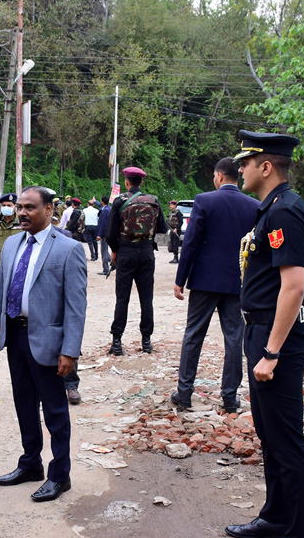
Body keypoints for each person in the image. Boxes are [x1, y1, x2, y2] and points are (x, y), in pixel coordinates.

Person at [225, 131, 304, 538]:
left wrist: (272, 351)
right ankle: (275, 519)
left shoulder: (283, 212)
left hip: (276, 337)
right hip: (260, 329)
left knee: (286, 439)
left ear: (265, 166)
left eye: (245, 163)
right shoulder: (273, 208)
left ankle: (296, 530)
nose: (239, 169)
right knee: (271, 435)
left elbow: (293, 286)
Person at [0, 186, 87, 503]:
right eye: (20, 207)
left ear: (49, 211)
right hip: (14, 335)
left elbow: (76, 307)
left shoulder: (68, 249)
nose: (22, 212)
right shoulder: (12, 243)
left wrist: (70, 351)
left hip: (49, 342)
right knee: (24, 403)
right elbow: (0, 292)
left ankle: (60, 475)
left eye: (29, 207)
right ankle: (30, 464)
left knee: (55, 411)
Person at [170, 157, 260, 414]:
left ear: (219, 176)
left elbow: (191, 242)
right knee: (234, 340)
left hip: (204, 282)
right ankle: (230, 398)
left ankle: (184, 393)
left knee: (193, 335)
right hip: (237, 283)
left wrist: (180, 280)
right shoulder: (253, 206)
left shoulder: (205, 200)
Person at [106, 167, 169, 355]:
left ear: (127, 182)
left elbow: (110, 233)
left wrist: (115, 252)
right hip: (147, 253)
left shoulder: (120, 201)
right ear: (141, 182)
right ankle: (146, 341)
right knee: (146, 298)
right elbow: (163, 228)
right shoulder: (154, 201)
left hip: (125, 252)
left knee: (122, 298)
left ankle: (117, 342)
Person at [96, 195, 112, 275]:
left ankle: (106, 269)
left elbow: (104, 224)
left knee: (103, 251)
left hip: (105, 233)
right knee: (105, 250)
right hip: (107, 232)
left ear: (102, 201)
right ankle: (113, 262)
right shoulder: (107, 208)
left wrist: (100, 235)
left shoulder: (105, 210)